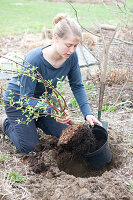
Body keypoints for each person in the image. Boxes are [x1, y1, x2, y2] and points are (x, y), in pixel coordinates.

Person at [0, 13, 102, 154]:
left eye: (75, 45)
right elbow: (26, 98)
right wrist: (52, 110)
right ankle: (7, 124)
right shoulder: (33, 60)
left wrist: (87, 114)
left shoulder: (72, 57)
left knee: (66, 137)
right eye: (68, 45)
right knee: (30, 149)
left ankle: (34, 122)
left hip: (44, 102)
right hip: (19, 102)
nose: (72, 50)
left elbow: (77, 85)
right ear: (56, 38)